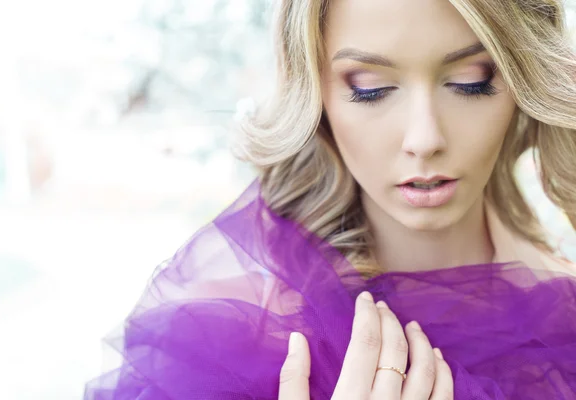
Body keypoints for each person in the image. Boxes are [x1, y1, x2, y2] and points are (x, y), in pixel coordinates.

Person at [84, 0, 576, 398]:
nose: (424, 138)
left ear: (523, 77)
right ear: (316, 93)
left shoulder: (565, 319)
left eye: (470, 80)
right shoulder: (229, 333)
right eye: (371, 88)